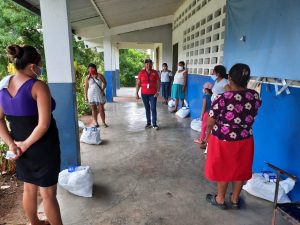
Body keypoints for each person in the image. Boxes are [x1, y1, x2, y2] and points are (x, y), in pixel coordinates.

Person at [0, 45, 63, 224]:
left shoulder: (3, 86)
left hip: (19, 147)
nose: (40, 68)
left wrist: (12, 144)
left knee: (29, 188)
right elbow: (43, 125)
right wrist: (25, 144)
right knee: (48, 194)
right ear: (32, 66)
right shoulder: (37, 86)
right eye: (39, 63)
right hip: (42, 147)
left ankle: (35, 223)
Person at [204, 63, 262, 210]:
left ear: (229, 78)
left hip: (223, 139)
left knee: (223, 169)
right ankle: (235, 199)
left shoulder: (222, 98)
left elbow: (210, 122)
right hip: (245, 138)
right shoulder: (254, 96)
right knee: (240, 168)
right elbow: (245, 101)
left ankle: (220, 199)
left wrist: (206, 136)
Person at [136, 59, 160, 130]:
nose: (148, 65)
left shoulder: (155, 72)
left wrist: (157, 92)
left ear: (152, 64)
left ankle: (154, 124)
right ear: (144, 65)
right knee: (147, 108)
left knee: (153, 108)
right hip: (144, 93)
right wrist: (136, 93)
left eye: (150, 64)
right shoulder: (141, 72)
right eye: (147, 64)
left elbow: (158, 82)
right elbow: (138, 83)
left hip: (153, 94)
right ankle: (148, 123)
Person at [84, 63, 108, 128]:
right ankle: (96, 122)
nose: (91, 69)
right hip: (91, 95)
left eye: (92, 68)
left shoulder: (100, 75)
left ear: (95, 68)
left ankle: (103, 122)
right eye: (89, 68)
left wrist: (102, 90)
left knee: (101, 109)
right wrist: (85, 97)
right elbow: (86, 88)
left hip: (99, 95)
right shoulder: (87, 77)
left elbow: (105, 83)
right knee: (93, 109)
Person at [194, 82, 213, 147]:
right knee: (208, 128)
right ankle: (206, 139)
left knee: (203, 127)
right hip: (211, 114)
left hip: (206, 114)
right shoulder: (212, 96)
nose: (203, 89)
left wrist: (201, 115)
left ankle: (201, 140)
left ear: (206, 89)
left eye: (204, 88)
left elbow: (204, 107)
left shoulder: (205, 96)